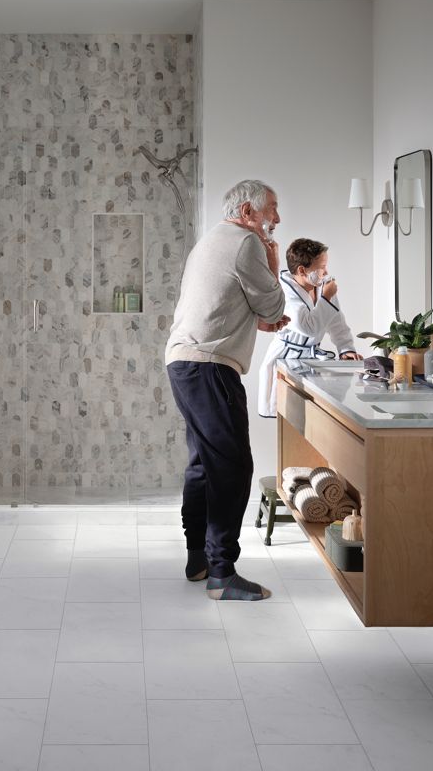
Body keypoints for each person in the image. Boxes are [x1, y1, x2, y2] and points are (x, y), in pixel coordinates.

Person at [165, 179, 290, 601]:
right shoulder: (247, 243)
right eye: (271, 208)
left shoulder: (212, 240)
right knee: (232, 467)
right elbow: (273, 306)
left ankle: (198, 557)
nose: (276, 217)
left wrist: (259, 317)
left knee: (204, 463)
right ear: (248, 212)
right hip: (211, 369)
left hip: (185, 363)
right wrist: (274, 264)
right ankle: (222, 574)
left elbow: (226, 306)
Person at [256, 238, 362, 418]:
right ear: (302, 270)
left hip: (311, 361)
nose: (326, 271)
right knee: (290, 418)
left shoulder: (321, 286)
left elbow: (336, 321)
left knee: (316, 416)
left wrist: (346, 349)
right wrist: (327, 298)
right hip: (286, 359)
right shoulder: (284, 292)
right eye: (321, 267)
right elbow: (308, 328)